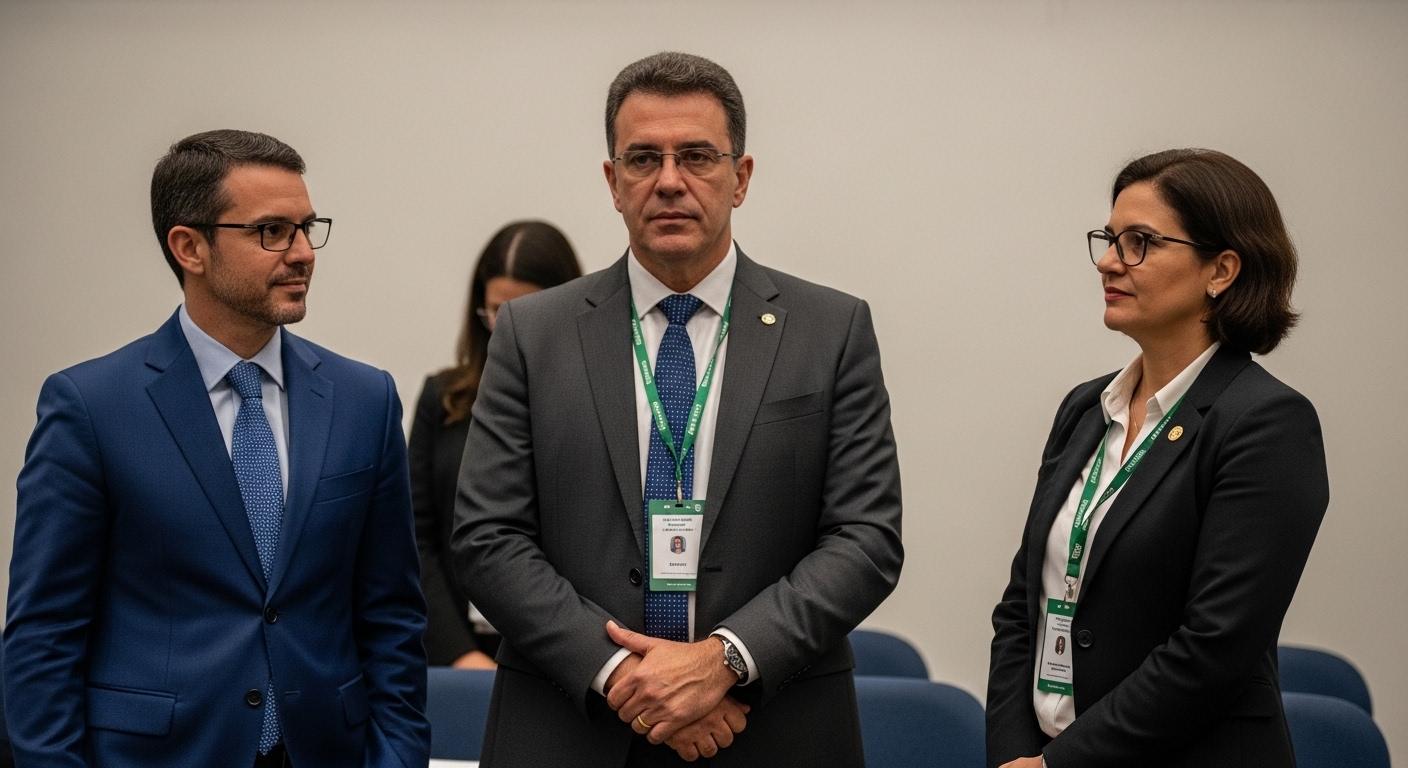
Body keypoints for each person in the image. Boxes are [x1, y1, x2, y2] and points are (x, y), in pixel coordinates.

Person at [452, 51, 903, 767]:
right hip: (572, 728)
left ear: (741, 177)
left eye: (696, 156)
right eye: (642, 159)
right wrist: (628, 677)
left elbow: (865, 538)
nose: (669, 181)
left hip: (771, 726)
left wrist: (723, 661)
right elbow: (487, 535)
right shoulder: (532, 334)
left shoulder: (831, 329)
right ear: (612, 181)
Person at [3, 129, 430, 767]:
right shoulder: (91, 408)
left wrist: (396, 758)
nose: (304, 252)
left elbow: (392, 617)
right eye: (272, 231)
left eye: (309, 227)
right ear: (189, 247)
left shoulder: (364, 400)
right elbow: (44, 636)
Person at [986, 148, 1328, 768]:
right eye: (1110, 238)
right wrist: (1015, 755)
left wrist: (1061, 765)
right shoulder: (1087, 408)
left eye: (1139, 242)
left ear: (1220, 269)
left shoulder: (1266, 424)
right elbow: (1022, 609)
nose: (1108, 261)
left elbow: (1214, 647)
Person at [409, 220, 582, 668]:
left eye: (525, 312)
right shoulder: (443, 398)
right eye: (495, 313)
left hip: (562, 653)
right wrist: (458, 652)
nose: (508, 330)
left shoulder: (594, 404)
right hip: (459, 654)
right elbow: (417, 539)